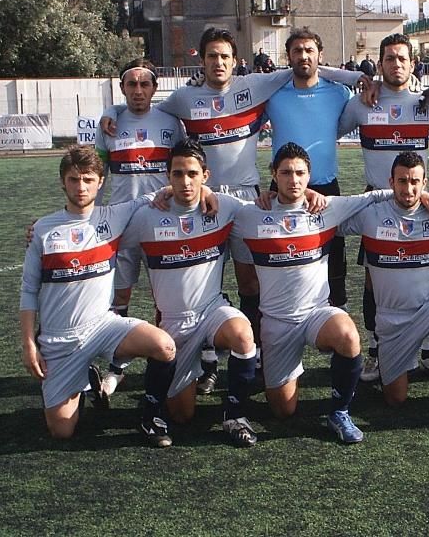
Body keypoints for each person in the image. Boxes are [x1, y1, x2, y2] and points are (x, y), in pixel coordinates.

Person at [101, 28, 363, 391]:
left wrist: (360, 76)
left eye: (224, 56)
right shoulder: (184, 97)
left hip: (244, 200)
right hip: (199, 199)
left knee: (250, 280)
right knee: (189, 282)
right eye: (211, 56)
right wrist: (113, 109)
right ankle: (199, 357)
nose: (218, 62)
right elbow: (145, 111)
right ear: (202, 60)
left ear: (235, 60)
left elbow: (306, 66)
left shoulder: (254, 86)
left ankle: (253, 352)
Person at [231, 143, 396, 443]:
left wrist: (423, 195)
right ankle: (288, 371)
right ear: (274, 174)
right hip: (277, 322)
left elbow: (374, 197)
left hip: (316, 314)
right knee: (283, 411)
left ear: (309, 176)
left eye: (300, 173)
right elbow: (210, 199)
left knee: (348, 334)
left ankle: (340, 411)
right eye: (286, 173)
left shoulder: (325, 207)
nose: (293, 180)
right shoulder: (251, 213)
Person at [19, 146, 180, 442]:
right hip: (60, 339)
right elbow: (29, 290)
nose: (81, 187)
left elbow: (158, 194)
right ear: (62, 182)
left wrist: (191, 190)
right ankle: (84, 383)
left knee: (164, 346)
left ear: (100, 182)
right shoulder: (43, 230)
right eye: (73, 179)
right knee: (61, 431)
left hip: (103, 327)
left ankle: (151, 414)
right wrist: (29, 344)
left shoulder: (114, 215)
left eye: (88, 179)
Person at [120, 140, 258, 447]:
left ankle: (235, 416)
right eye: (178, 174)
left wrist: (309, 195)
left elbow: (266, 211)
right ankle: (157, 404)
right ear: (167, 176)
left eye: (193, 174)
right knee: (182, 415)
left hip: (212, 311)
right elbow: (106, 239)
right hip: (173, 322)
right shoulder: (146, 217)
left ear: (205, 175)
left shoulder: (224, 207)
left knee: (242, 334)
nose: (185, 181)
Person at [339, 152, 429, 431]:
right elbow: (330, 216)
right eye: (402, 181)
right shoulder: (371, 215)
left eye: (415, 182)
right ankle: (398, 360)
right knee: (395, 399)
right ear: (391, 183)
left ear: (424, 183)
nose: (408, 189)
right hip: (392, 320)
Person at [339, 32, 429, 382]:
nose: (396, 64)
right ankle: (375, 352)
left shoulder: (426, 104)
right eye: (389, 58)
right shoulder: (361, 104)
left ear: (413, 64)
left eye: (403, 58)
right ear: (380, 64)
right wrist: (359, 79)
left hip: (420, 204)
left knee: (426, 278)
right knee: (374, 282)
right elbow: (326, 135)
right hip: (378, 206)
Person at [92, 58, 186, 397]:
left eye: (144, 84)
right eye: (131, 84)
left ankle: (173, 359)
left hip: (163, 222)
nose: (138, 90)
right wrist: (92, 215)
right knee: (120, 295)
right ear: (122, 88)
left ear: (154, 88)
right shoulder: (110, 125)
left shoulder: (171, 123)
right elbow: (98, 174)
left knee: (169, 297)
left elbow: (185, 166)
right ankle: (117, 367)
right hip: (122, 223)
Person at [265, 27, 367, 309]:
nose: (303, 56)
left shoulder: (339, 93)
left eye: (309, 50)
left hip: (325, 186)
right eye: (297, 51)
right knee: (282, 253)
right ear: (288, 57)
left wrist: (357, 78)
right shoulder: (273, 95)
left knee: (333, 255)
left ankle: (337, 309)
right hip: (283, 187)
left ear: (320, 55)